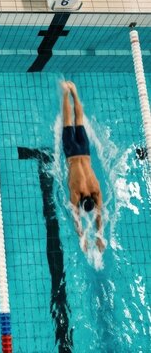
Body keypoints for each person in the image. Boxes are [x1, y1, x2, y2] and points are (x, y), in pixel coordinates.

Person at [61, 81, 105, 253]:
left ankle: (74, 92)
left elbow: (99, 216)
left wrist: (99, 236)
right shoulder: (77, 193)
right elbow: (76, 218)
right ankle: (65, 93)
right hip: (72, 153)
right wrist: (83, 238)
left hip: (85, 151)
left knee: (78, 121)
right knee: (67, 121)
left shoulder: (96, 191)